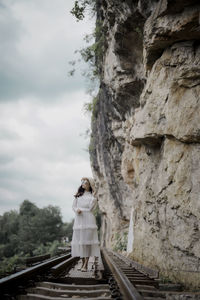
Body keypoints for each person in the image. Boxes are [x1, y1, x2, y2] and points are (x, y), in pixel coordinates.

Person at [71, 177, 101, 272]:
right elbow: (73, 206)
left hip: (88, 219)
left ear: (89, 185)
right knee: (80, 242)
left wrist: (94, 197)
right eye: (82, 182)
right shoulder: (78, 195)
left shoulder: (92, 197)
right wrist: (77, 210)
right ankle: (82, 261)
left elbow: (91, 208)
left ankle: (86, 264)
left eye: (85, 182)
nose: (83, 183)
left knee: (87, 242)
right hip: (79, 220)